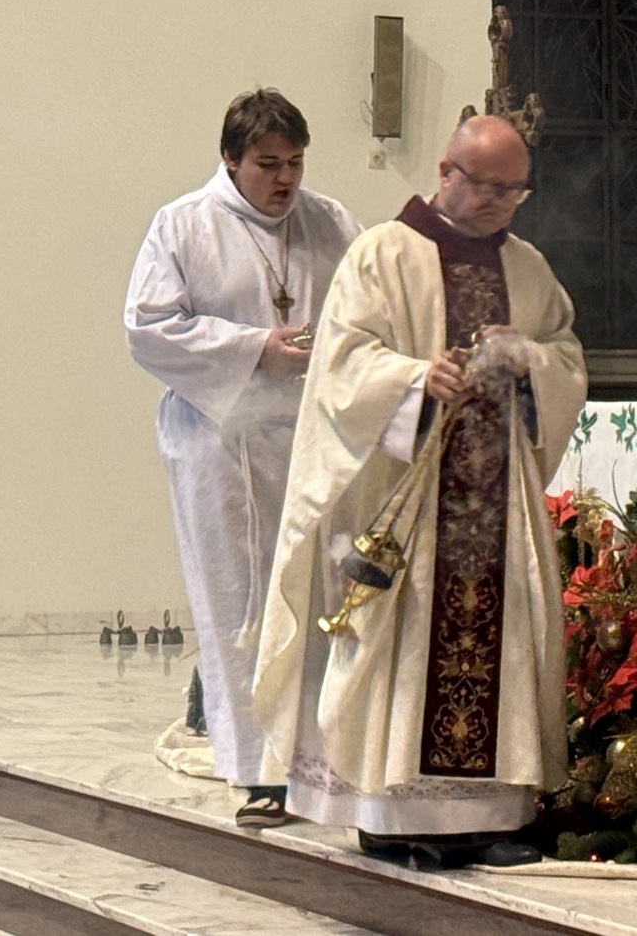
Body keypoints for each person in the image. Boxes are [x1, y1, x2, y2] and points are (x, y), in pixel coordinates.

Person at [251, 115, 586, 869]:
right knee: (401, 648)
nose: (499, 201)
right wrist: (413, 379)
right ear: (445, 172)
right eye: (486, 185)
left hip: (496, 502)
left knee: (499, 641)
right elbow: (340, 365)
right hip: (408, 497)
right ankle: (389, 812)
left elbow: (566, 354)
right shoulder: (383, 253)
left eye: (514, 189)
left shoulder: (528, 268)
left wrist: (529, 360)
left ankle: (488, 816)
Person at [125, 88, 362, 828]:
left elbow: (368, 310)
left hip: (311, 438)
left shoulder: (331, 222)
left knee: (318, 597)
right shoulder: (183, 225)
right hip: (219, 442)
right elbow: (148, 328)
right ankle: (261, 771)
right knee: (240, 601)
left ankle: (321, 759)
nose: (285, 179)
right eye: (268, 164)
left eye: (295, 162)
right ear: (230, 160)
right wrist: (256, 348)